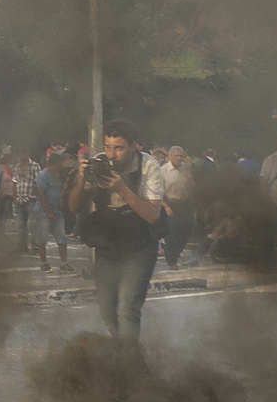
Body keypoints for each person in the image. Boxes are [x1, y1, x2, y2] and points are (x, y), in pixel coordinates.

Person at [65, 118, 165, 340]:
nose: (111, 155)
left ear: (134, 146)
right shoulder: (99, 164)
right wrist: (82, 179)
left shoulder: (148, 166)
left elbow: (152, 214)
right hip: (108, 242)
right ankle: (127, 356)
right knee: (107, 309)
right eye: (107, 147)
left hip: (140, 244)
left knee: (127, 309)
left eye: (119, 148)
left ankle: (129, 365)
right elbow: (73, 207)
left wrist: (122, 189)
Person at [158, 144, 196, 270]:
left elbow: (191, 186)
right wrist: (165, 206)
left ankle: (176, 253)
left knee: (187, 231)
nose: (179, 158)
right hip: (170, 203)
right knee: (172, 233)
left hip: (184, 204)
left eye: (181, 156)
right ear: (169, 157)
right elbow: (158, 192)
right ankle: (172, 261)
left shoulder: (187, 169)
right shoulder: (163, 171)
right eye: (176, 156)